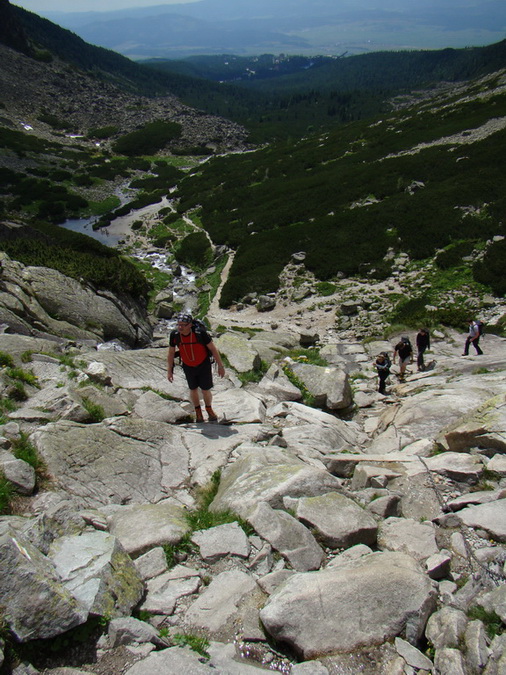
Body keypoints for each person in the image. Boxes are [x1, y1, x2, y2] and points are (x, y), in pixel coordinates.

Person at [167, 312, 225, 422]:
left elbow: (213, 349)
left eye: (183, 325)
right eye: (178, 324)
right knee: (192, 389)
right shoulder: (174, 335)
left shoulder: (200, 333)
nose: (180, 327)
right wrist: (169, 370)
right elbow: (170, 353)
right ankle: (198, 411)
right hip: (188, 365)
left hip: (204, 364)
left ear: (190, 325)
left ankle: (208, 409)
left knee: (205, 390)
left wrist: (220, 366)